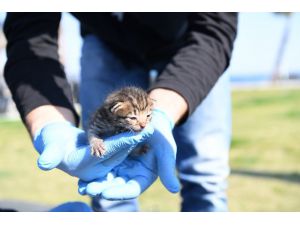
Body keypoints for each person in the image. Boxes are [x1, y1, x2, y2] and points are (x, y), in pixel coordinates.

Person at [3, 13, 237, 212]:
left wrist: (163, 113)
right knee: (106, 183)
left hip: (190, 41)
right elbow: (28, 35)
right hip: (105, 36)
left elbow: (214, 28)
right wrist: (50, 122)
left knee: (205, 175)